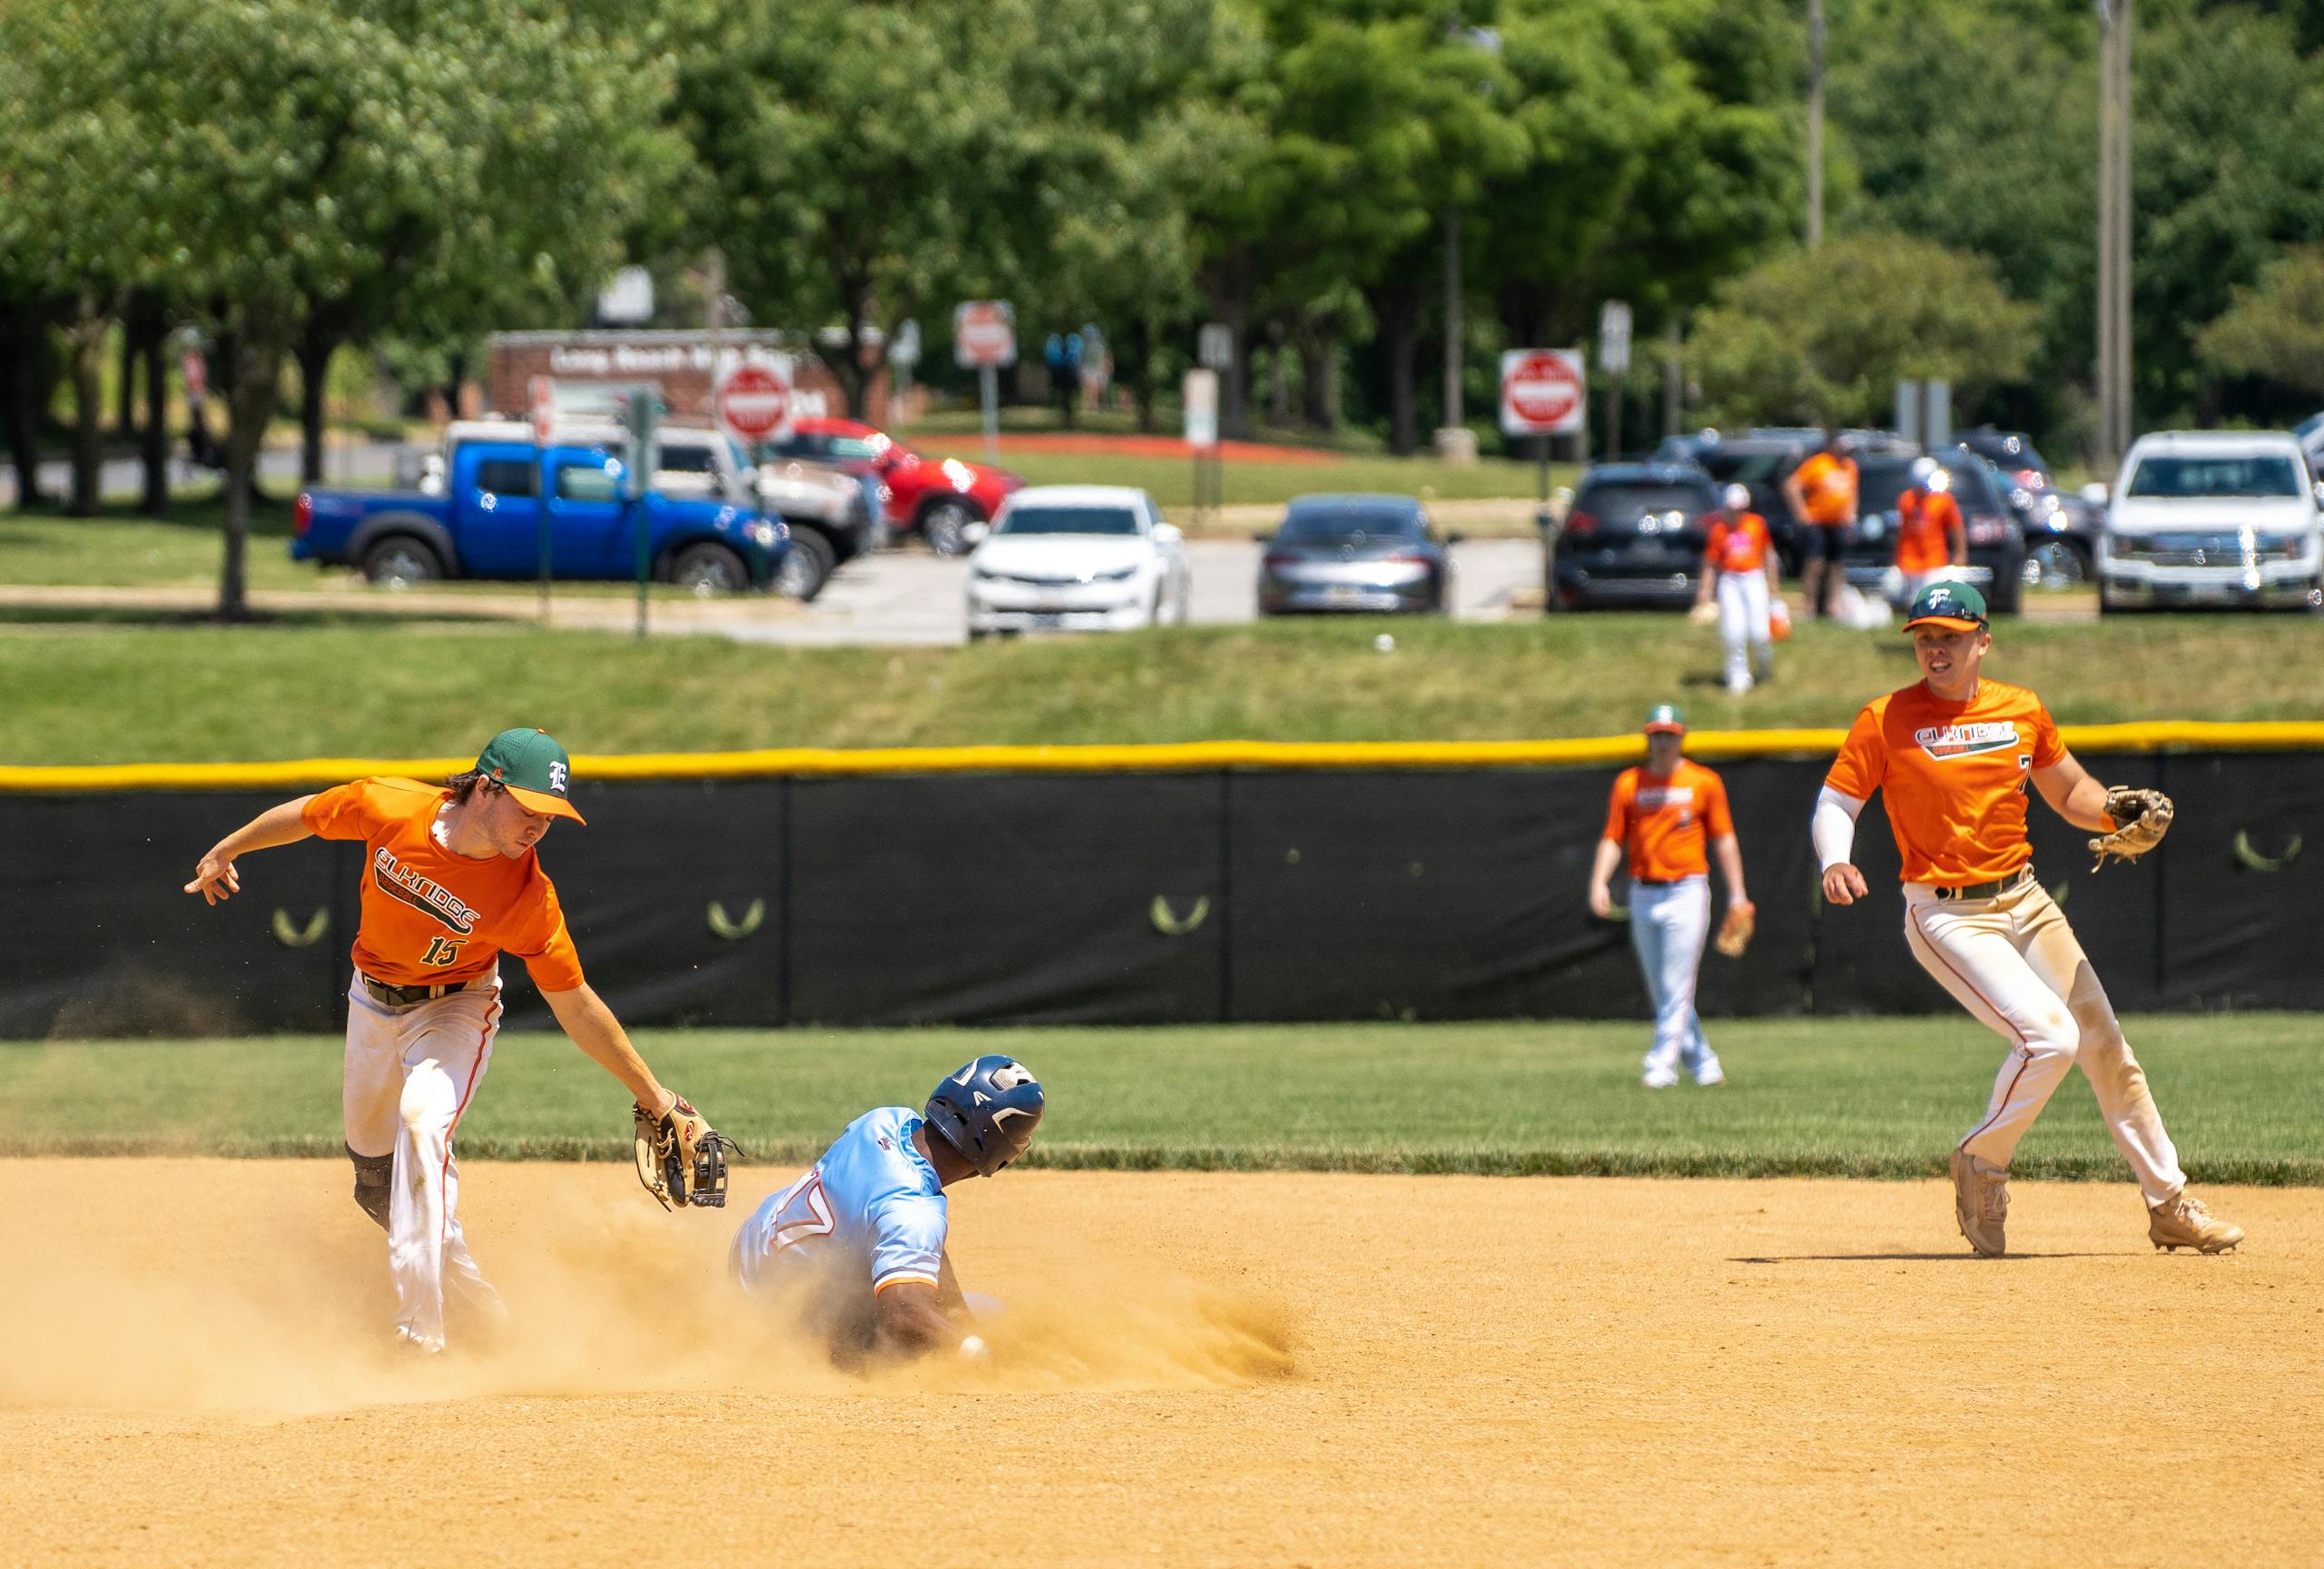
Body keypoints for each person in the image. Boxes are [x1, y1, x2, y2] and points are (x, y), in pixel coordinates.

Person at [183, 727, 719, 1353]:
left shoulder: (527, 898)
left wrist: (655, 1096)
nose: (539, 827)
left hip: (457, 1010)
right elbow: (306, 815)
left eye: (551, 815)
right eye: (530, 808)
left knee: (422, 1125)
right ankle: (487, 1324)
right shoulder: (391, 808)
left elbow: (574, 1005)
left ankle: (420, 1338)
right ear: (486, 788)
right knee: (379, 1187)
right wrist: (228, 848)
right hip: (371, 1000)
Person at [1813, 581, 2243, 1258]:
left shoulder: (2021, 709)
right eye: (1925, 636)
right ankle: (1982, 1160)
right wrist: (1834, 860)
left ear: (1983, 640)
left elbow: (2070, 791)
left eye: (1950, 635)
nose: (1935, 647)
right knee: (2050, 1039)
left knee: (2105, 1046)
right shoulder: (1885, 718)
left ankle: (2168, 1203)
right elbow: (1836, 802)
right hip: (1946, 912)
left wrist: (2113, 813)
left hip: (2025, 898)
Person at [731, 1054, 1044, 1364]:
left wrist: (958, 1315)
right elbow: (905, 1316)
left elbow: (914, 1240)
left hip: (745, 1259)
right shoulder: (914, 1212)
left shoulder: (883, 1121)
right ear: (1001, 1151)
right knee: (977, 1321)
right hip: (776, 1329)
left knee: (955, 1317)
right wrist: (986, 1356)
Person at [1588, 706, 1753, 1089]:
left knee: (1677, 985)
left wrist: (1738, 894)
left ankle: (1659, 1066)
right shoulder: (1629, 783)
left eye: (1670, 734)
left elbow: (1724, 839)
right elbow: (1613, 837)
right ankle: (1705, 1064)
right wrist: (1599, 881)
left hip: (1687, 891)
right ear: (1648, 738)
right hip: (1643, 892)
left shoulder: (1703, 782)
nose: (1663, 742)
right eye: (1657, 734)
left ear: (1681, 738)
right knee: (1663, 988)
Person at [1692, 482, 1781, 695]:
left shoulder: (1757, 524)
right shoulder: (1719, 530)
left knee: (1759, 632)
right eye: (1731, 509)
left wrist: (1773, 588)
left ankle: (1763, 662)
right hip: (1730, 580)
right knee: (1734, 631)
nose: (1735, 514)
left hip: (1753, 578)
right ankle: (1737, 674)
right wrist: (1704, 591)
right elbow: (1710, 564)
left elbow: (1768, 556)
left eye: (1739, 509)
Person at [1783, 428, 1858, 620]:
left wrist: (1851, 514)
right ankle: (1809, 605)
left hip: (1839, 523)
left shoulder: (1850, 467)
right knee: (1815, 563)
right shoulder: (1818, 464)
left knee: (1837, 564)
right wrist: (1801, 512)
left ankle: (1833, 604)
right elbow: (1792, 485)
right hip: (1817, 521)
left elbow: (1852, 492)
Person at [1893, 459, 1966, 607]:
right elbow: (1901, 530)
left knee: (1926, 599)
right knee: (1894, 590)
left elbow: (1956, 527)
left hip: (1933, 561)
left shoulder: (1944, 500)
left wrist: (1960, 553)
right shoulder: (1906, 499)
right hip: (1909, 560)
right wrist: (1897, 556)